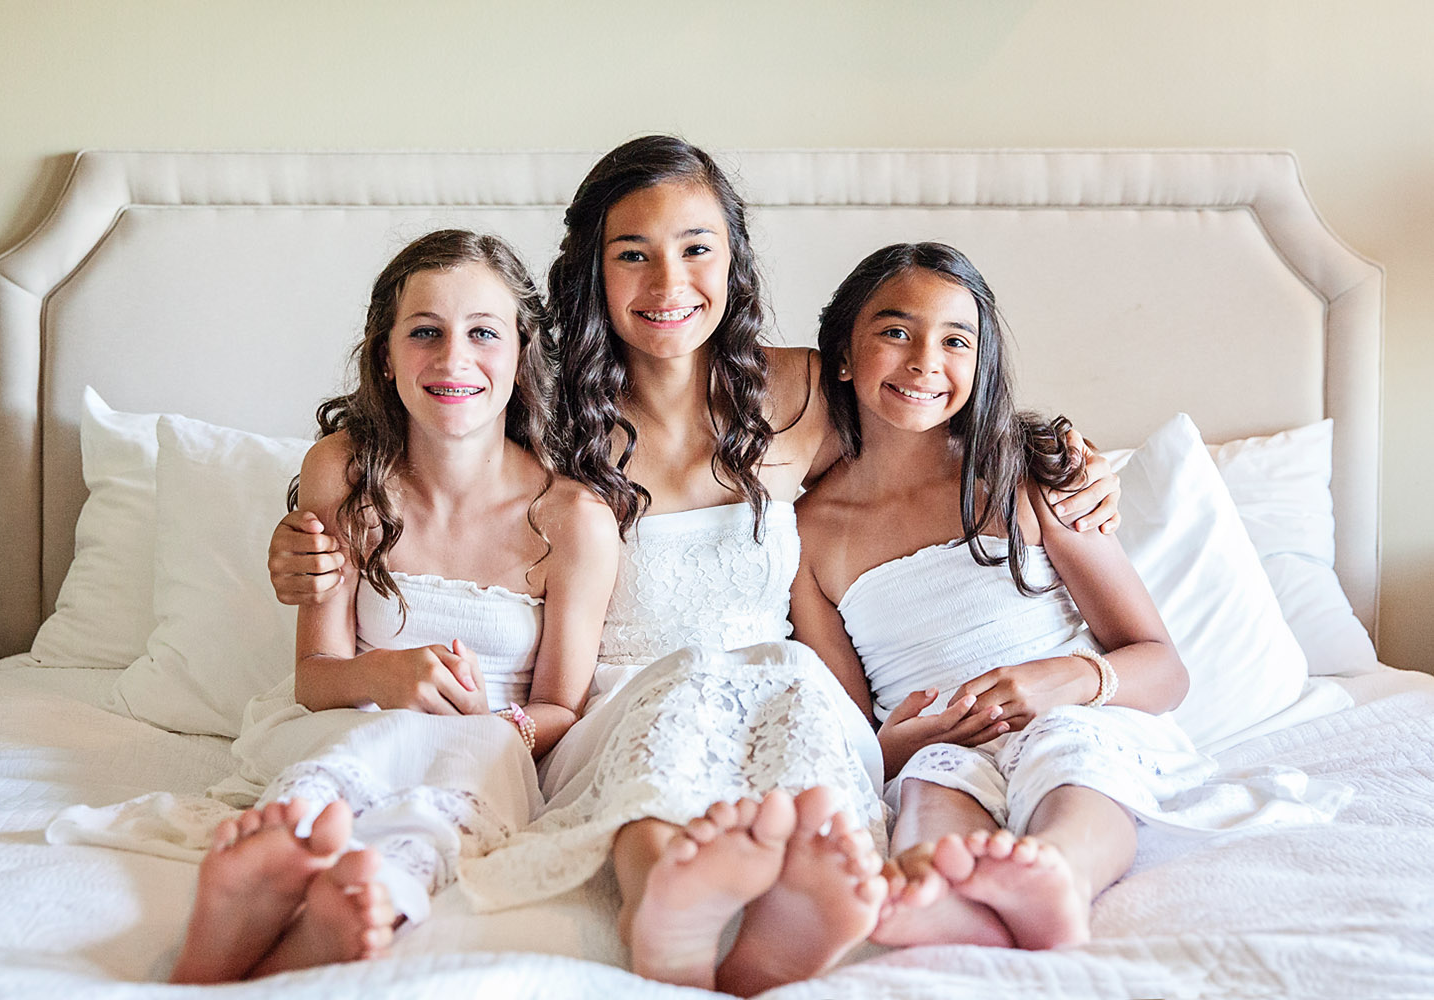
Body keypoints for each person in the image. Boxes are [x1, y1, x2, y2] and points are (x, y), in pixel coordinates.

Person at [263, 138, 1122, 993]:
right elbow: (425, 463)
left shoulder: (809, 394)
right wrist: (298, 539)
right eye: (631, 254)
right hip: (612, 704)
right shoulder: (546, 415)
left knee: (803, 730)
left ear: (734, 260)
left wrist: (1059, 454)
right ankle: (661, 910)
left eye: (695, 249)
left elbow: (936, 411)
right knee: (663, 746)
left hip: (781, 681)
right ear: (592, 271)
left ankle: (790, 909)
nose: (668, 284)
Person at [788, 241, 1287, 952]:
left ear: (979, 361)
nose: (925, 360)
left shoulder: (1026, 476)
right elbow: (847, 732)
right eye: (895, 332)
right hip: (943, 738)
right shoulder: (805, 535)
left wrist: (1065, 681)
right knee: (934, 784)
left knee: (1069, 758)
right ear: (841, 354)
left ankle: (1060, 872)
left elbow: (1164, 670)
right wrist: (895, 746)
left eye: (955, 340)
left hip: (1078, 712)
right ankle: (934, 887)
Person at [170, 229, 619, 983]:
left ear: (519, 351)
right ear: (385, 353)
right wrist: (382, 680)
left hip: (485, 745)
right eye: (424, 333)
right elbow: (316, 677)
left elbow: (559, 712)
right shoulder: (345, 472)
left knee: (462, 769)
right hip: (351, 722)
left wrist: (489, 721)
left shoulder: (571, 518)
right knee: (342, 762)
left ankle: (367, 891)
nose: (452, 360)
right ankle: (274, 871)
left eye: (482, 333)